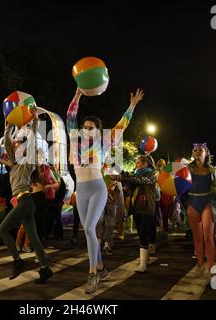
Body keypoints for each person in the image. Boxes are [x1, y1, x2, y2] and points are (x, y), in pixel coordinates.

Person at [66, 87, 144, 293]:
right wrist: (77, 95)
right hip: (81, 190)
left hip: (98, 189)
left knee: (91, 229)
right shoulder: (75, 142)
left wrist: (132, 105)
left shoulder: (104, 143)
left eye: (91, 127)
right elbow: (70, 116)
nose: (86, 129)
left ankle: (92, 273)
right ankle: (101, 268)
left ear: (98, 131)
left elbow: (122, 125)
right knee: (88, 231)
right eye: (85, 126)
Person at [0, 111, 53, 284]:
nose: (15, 146)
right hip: (24, 201)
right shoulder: (13, 164)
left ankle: (18, 261)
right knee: (33, 237)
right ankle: (45, 268)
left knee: (2, 230)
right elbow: (6, 144)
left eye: (18, 145)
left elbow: (32, 142)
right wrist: (8, 127)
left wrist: (35, 120)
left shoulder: (27, 161)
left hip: (25, 201)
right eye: (14, 145)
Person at [187, 143, 216, 277]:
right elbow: (178, 186)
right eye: (195, 150)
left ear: (206, 153)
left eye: (200, 150)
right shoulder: (186, 169)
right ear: (193, 153)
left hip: (208, 203)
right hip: (192, 203)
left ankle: (211, 267)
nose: (197, 152)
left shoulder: (214, 171)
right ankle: (200, 265)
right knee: (197, 237)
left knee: (208, 237)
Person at [118, 155, 157, 272]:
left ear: (146, 164)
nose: (137, 164)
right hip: (137, 208)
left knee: (144, 233)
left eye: (139, 162)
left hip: (147, 207)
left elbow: (140, 180)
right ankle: (146, 257)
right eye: (137, 162)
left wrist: (125, 177)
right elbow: (130, 185)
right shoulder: (136, 174)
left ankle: (143, 265)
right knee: (141, 233)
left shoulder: (151, 174)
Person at [97, 177, 125, 256]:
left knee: (109, 224)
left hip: (111, 203)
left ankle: (107, 245)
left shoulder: (117, 184)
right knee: (99, 223)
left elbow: (119, 199)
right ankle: (98, 245)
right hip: (100, 200)